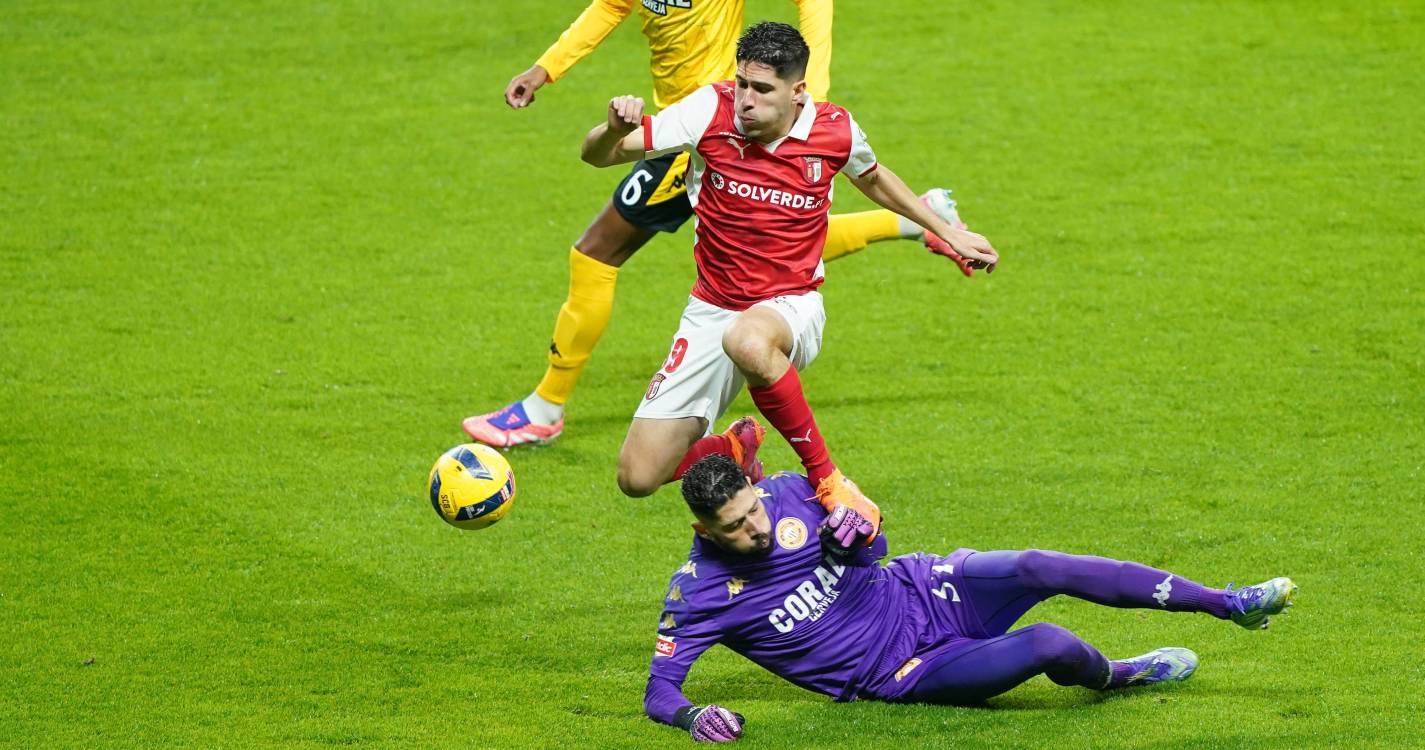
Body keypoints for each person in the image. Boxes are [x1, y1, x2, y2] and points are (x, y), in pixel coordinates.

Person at [464, 1, 980, 449]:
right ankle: (922, 220)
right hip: (680, 125)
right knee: (769, 230)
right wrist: (545, 69)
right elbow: (611, 6)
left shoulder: (738, 101)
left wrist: (809, 93)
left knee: (597, 251)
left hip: (713, 131)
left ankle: (546, 408)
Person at [574, 22, 998, 525]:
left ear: (798, 92)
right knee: (638, 476)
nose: (745, 101)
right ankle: (735, 447)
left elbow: (875, 177)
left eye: (761, 89)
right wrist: (614, 130)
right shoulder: (710, 109)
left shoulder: (835, 130)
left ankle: (828, 481)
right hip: (712, 308)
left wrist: (947, 231)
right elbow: (595, 155)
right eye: (742, 84)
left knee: (749, 341)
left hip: (790, 306)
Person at [647, 454, 1299, 742]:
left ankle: (1226, 603)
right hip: (898, 670)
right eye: (733, 528)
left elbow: (873, 546)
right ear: (704, 530)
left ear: (756, 494)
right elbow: (660, 692)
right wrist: (689, 716)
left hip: (921, 588)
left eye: (751, 513)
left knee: (1040, 565)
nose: (754, 530)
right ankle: (1119, 676)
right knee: (1050, 644)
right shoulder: (697, 595)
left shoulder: (789, 492)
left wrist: (857, 539)